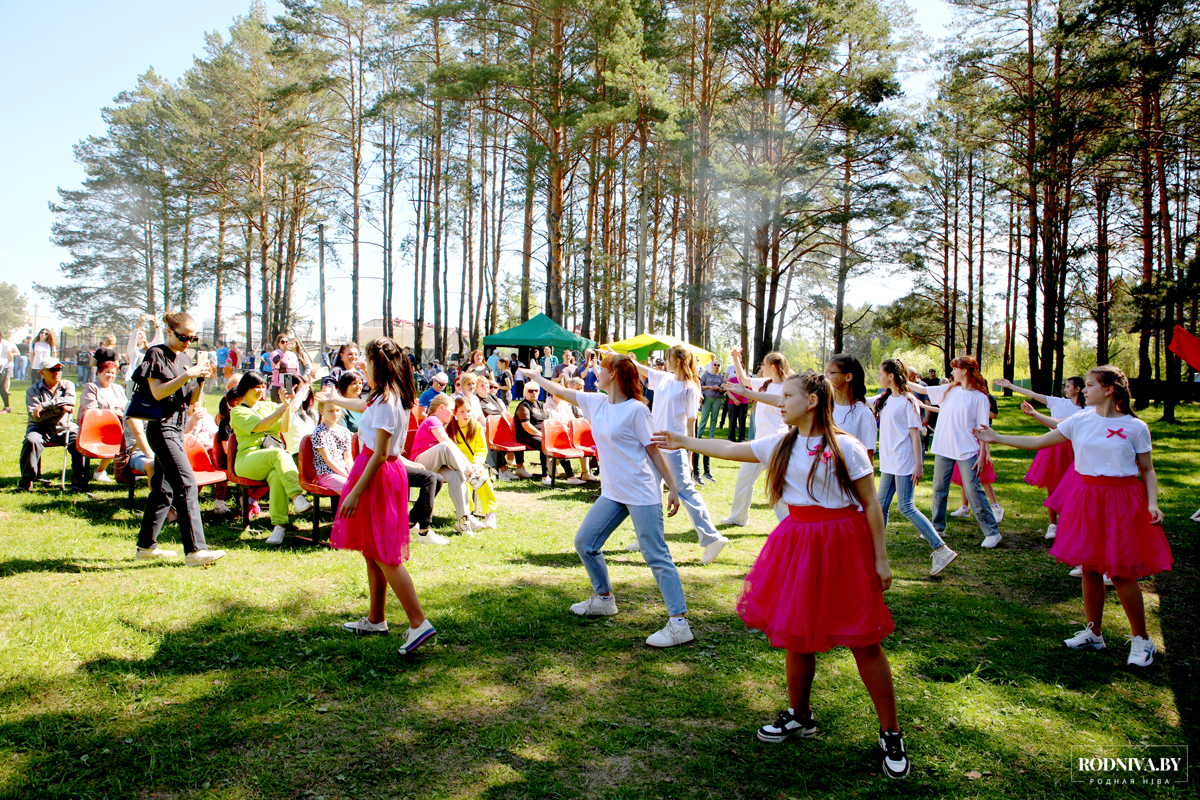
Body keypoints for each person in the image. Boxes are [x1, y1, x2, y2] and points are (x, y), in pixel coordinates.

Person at [652, 370, 909, 778]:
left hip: (843, 543)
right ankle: (800, 714)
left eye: (786, 396)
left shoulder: (847, 447)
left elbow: (872, 506)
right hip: (798, 544)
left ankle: (891, 731)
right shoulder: (781, 444)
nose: (779, 401)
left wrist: (881, 559)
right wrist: (684, 441)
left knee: (865, 640)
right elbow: (730, 447)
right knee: (796, 630)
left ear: (810, 401)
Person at [973, 366, 1170, 667]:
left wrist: (1152, 504)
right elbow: (1039, 442)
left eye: (1090, 385)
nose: (1084, 389)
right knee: (1090, 566)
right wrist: (997, 437)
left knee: (1119, 572)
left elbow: (1147, 470)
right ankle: (1094, 633)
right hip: (1087, 497)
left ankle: (1142, 639)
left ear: (1109, 389)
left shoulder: (1135, 427)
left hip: (1122, 500)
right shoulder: (1080, 420)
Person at [519, 357, 694, 649]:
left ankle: (679, 624)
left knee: (655, 555)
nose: (596, 374)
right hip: (613, 492)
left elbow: (653, 452)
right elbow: (561, 392)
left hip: (640, 492)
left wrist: (673, 487)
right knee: (585, 542)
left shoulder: (637, 410)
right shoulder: (596, 402)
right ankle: (603, 599)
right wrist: (535, 375)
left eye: (601, 369)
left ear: (612, 375)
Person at [329, 337, 437, 655]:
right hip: (371, 469)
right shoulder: (382, 395)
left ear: (379, 364)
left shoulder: (389, 400)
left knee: (385, 552)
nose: (362, 366)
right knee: (370, 548)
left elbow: (380, 453)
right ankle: (376, 618)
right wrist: (333, 398)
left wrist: (354, 493)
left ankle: (419, 623)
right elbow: (362, 406)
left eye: (366, 361)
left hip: (377, 474)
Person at [614, 344, 728, 564]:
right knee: (648, 491)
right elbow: (640, 368)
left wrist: (690, 456)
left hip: (674, 448)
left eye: (668, 357)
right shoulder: (664, 378)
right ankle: (647, 539)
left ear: (678, 360)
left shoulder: (690, 388)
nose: (665, 360)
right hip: (654, 445)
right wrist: (617, 356)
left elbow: (690, 425)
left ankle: (713, 538)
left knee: (685, 490)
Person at [129, 311, 225, 567]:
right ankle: (195, 551)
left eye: (192, 339)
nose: (187, 342)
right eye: (183, 336)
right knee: (187, 484)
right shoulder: (156, 353)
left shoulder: (184, 358)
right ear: (169, 332)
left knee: (163, 490)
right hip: (161, 429)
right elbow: (158, 392)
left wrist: (201, 380)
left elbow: (190, 402)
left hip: (178, 427)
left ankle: (146, 547)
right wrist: (187, 374)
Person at [906, 355, 1002, 549]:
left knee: (974, 490)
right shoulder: (948, 389)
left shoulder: (980, 398)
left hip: (967, 450)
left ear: (965, 370)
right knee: (939, 489)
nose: (951, 372)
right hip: (943, 447)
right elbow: (923, 389)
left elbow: (984, 429)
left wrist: (983, 455)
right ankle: (937, 528)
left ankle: (992, 532)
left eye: (954, 369)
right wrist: (903, 381)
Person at [872, 359, 957, 577]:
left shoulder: (909, 401)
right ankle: (872, 551)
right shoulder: (886, 398)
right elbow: (863, 400)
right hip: (890, 462)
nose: (879, 377)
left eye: (881, 373)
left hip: (904, 461)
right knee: (881, 505)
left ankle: (941, 549)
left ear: (890, 375)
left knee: (906, 506)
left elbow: (915, 434)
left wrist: (919, 464)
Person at [994, 376, 1086, 539]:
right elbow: (1033, 394)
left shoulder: (1086, 410)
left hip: (1075, 448)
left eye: (1068, 386)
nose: (1065, 389)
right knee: (1052, 484)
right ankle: (1053, 524)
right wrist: (1011, 386)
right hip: (1054, 446)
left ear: (1078, 389)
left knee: (1074, 487)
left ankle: (1069, 523)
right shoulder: (1058, 402)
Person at [229, 371, 314, 545]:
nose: (261, 391)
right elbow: (262, 425)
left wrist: (288, 405)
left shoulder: (267, 406)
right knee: (279, 454)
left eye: (263, 387)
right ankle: (297, 496)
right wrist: (283, 407)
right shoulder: (237, 412)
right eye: (256, 387)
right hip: (247, 460)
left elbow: (284, 426)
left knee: (276, 475)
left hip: (270, 458)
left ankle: (279, 527)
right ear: (246, 389)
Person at [719, 347, 792, 526]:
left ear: (773, 367)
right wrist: (736, 358)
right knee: (744, 478)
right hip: (758, 442)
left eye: (765, 365)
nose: (762, 368)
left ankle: (789, 522)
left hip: (776, 442)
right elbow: (743, 379)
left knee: (779, 485)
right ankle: (738, 517)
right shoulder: (764, 383)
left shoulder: (788, 388)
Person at [409, 394, 487, 535]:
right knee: (445, 446)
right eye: (452, 409)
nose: (453, 414)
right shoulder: (432, 419)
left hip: (434, 465)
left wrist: (467, 465)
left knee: (455, 475)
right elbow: (446, 443)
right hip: (419, 463)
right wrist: (468, 467)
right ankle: (471, 477)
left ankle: (464, 520)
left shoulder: (441, 424)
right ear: (441, 408)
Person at [18, 358, 89, 493]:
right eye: (52, 370)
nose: (56, 372)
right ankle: (26, 481)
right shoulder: (32, 390)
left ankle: (79, 481)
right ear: (41, 372)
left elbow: (70, 400)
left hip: (65, 428)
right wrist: (60, 409)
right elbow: (36, 416)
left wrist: (44, 405)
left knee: (80, 442)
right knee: (31, 441)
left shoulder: (68, 385)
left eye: (59, 369)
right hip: (40, 428)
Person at [948, 390, 1003, 522]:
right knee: (963, 477)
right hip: (964, 445)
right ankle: (965, 507)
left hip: (976, 445)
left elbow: (983, 433)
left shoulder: (981, 404)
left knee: (982, 477)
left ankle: (995, 506)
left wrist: (986, 454)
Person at [511, 381, 580, 484]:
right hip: (525, 435)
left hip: (541, 433)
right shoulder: (523, 406)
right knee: (545, 444)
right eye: (530, 391)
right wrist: (541, 434)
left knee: (558, 443)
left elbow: (547, 420)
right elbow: (526, 426)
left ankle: (570, 476)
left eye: (536, 391)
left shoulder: (539, 404)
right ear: (525, 393)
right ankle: (545, 476)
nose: (534, 393)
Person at [447, 396, 499, 530]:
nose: (466, 415)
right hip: (458, 466)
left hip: (475, 464)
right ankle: (468, 514)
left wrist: (475, 464)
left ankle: (490, 513)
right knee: (464, 480)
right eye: (462, 412)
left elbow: (482, 450)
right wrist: (464, 466)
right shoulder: (449, 429)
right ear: (455, 413)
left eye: (468, 411)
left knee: (483, 478)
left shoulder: (476, 427)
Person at [77, 359, 128, 482]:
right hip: (98, 426)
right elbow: (92, 411)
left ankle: (127, 469)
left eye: (112, 373)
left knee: (139, 429)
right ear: (98, 373)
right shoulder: (91, 387)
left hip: (121, 423)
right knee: (125, 435)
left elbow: (126, 407)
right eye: (106, 372)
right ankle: (100, 470)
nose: (110, 375)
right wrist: (114, 413)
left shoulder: (118, 388)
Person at [825, 354, 877, 462]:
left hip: (850, 476)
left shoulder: (863, 414)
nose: (826, 377)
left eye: (831, 373)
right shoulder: (825, 408)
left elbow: (868, 458)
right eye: (826, 373)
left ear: (848, 377)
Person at [311, 400, 354, 494]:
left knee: (361, 486)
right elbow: (328, 460)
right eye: (330, 411)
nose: (335, 414)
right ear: (322, 411)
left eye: (338, 410)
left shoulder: (345, 431)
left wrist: (352, 475)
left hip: (344, 472)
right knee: (350, 488)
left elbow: (348, 458)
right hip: (327, 474)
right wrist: (347, 477)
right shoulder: (319, 432)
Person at [695, 358, 724, 481]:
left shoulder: (721, 377)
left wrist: (719, 389)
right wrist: (709, 387)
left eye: (718, 365)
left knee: (714, 419)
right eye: (715, 364)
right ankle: (699, 434)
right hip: (707, 398)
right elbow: (700, 386)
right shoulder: (706, 374)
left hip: (717, 398)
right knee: (704, 417)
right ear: (712, 365)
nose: (716, 366)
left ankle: (712, 435)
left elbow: (724, 389)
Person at [124, 315, 163, 383]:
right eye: (139, 334)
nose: (141, 335)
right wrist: (140, 322)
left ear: (145, 338)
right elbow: (133, 338)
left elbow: (159, 340)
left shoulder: (149, 349)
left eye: (143, 334)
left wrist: (157, 326)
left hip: (146, 379)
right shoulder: (133, 349)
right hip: (132, 380)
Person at [268, 333, 301, 402]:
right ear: (278, 343)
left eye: (286, 342)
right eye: (282, 342)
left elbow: (296, 370)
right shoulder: (274, 353)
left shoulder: (292, 355)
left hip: (289, 382)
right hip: (278, 383)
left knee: (288, 405)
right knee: (277, 406)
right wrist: (283, 351)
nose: (285, 344)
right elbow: (275, 361)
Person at [0, 331, 17, 413]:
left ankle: (7, 407)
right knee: (1, 388)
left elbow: (10, 356)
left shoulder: (4, 343)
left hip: (1, 367)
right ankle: (7, 407)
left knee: (1, 388)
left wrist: (6, 366)